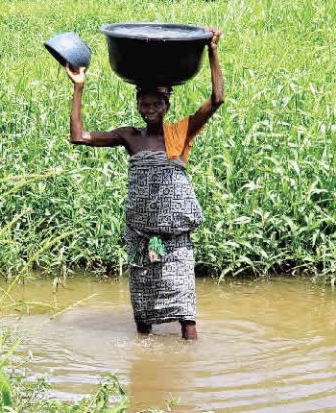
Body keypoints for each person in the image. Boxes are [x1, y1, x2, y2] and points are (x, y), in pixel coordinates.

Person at [64, 28, 224, 340]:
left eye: (155, 104)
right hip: (139, 233)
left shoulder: (179, 133)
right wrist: (79, 87)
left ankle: (187, 372)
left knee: (185, 311)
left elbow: (217, 99)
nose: (149, 109)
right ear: (138, 104)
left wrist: (214, 51)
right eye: (144, 104)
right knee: (143, 310)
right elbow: (78, 136)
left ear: (166, 107)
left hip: (175, 236)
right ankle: (144, 362)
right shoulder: (129, 137)